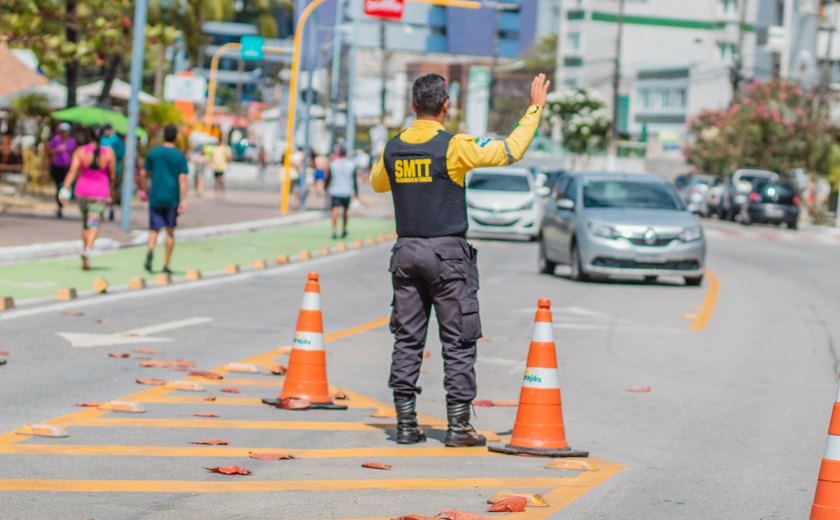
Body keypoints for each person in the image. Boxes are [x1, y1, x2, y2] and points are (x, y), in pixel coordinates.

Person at [370, 73, 550, 446]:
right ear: (446, 106)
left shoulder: (392, 148)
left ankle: (405, 423)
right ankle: (458, 426)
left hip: (406, 252)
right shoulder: (454, 147)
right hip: (448, 254)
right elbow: (510, 150)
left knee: (407, 338)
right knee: (458, 340)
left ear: (412, 105)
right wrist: (535, 108)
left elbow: (378, 182)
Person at [60, 125, 116, 271]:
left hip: (82, 191)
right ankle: (88, 250)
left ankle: (86, 254)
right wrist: (111, 190)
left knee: (86, 224)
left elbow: (72, 171)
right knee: (94, 224)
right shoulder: (108, 152)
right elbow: (112, 175)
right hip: (100, 192)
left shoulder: (80, 151)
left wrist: (65, 190)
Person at [141, 124, 189, 274]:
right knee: (170, 232)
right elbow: (182, 179)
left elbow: (143, 173)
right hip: (172, 197)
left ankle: (150, 250)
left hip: (155, 195)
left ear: (163, 136)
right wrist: (183, 200)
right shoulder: (179, 156)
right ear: (175, 137)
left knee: (154, 229)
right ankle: (166, 264)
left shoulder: (154, 153)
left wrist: (145, 190)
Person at [325, 146, 358, 239]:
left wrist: (326, 187)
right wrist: (356, 192)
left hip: (335, 189)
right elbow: (354, 179)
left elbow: (329, 177)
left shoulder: (333, 164)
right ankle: (344, 229)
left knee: (335, 210)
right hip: (347, 190)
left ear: (338, 154)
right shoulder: (351, 164)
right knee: (345, 211)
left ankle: (334, 230)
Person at [49, 122, 77, 218]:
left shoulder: (71, 141)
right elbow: (49, 151)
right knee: (58, 186)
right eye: (61, 131)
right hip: (56, 166)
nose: (63, 133)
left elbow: (74, 154)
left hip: (66, 167)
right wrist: (57, 150)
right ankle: (59, 205)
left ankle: (60, 206)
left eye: (64, 131)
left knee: (63, 186)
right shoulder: (56, 139)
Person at [100, 124, 125, 221]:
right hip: (102, 169)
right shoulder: (102, 139)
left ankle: (111, 208)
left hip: (114, 168)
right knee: (102, 189)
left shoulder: (116, 139)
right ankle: (101, 210)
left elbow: (122, 152)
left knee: (112, 189)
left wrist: (112, 154)